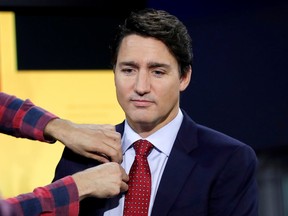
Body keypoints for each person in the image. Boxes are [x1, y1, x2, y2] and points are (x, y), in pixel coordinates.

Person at [53, 8, 259, 216]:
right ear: (114, 73)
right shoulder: (81, 156)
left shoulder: (227, 160)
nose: (141, 87)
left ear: (184, 77)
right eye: (128, 70)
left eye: (157, 72)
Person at [0, 92, 129, 216]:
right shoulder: (76, 159)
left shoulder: (83, 143)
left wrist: (59, 127)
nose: (141, 88)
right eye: (128, 70)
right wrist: (81, 187)